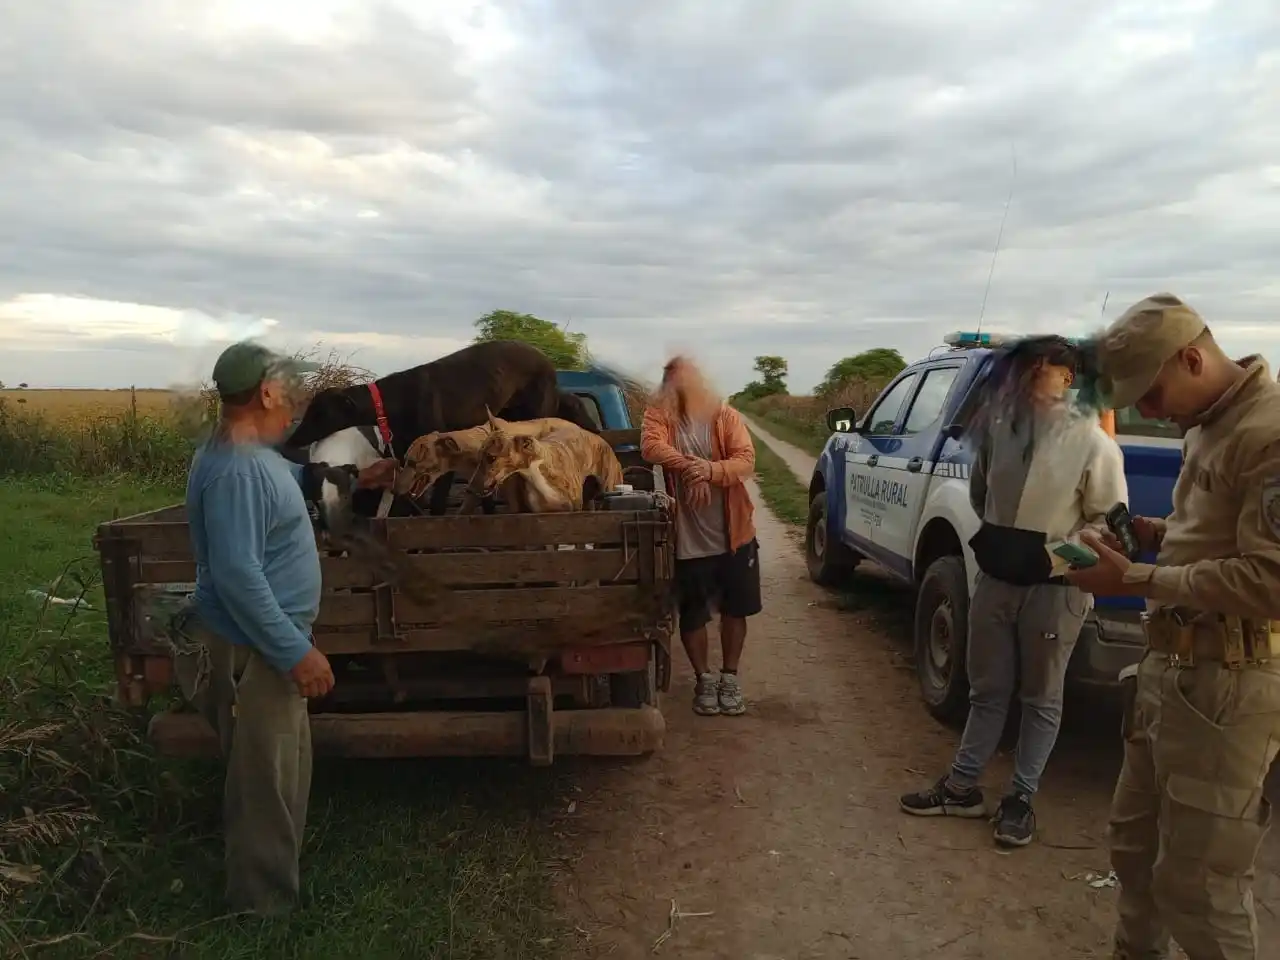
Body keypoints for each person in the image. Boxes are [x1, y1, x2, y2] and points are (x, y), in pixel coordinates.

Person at [1064, 294, 1280, 960]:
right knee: (1136, 855)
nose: (1146, 413)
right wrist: (1155, 535)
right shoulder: (1211, 423)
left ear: (1192, 357)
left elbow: (1270, 580)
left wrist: (1135, 578)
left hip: (1230, 686)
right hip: (1171, 674)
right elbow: (1212, 538)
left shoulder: (1268, 432)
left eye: (1151, 394)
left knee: (1201, 890)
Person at [173, 341, 396, 916]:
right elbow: (238, 576)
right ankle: (261, 913)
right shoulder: (236, 472)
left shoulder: (254, 455)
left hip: (268, 642)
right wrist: (295, 651)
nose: (295, 399)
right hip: (255, 650)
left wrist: (360, 476)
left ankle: (274, 889)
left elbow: (294, 485)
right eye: (288, 388)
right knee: (263, 783)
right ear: (266, 392)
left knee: (284, 769)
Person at [900, 335, 1128, 847]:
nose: (1025, 380)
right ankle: (962, 788)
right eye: (1020, 370)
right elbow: (981, 494)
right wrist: (1000, 545)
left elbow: (1109, 527)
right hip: (997, 583)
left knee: (1041, 698)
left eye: (1039, 371)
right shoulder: (1001, 433)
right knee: (987, 690)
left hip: (1054, 590)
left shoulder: (1093, 443)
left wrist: (1050, 556)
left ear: (1068, 379)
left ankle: (1020, 798)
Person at [640, 355, 760, 716]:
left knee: (734, 611)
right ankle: (704, 679)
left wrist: (709, 471)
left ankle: (729, 677)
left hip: (734, 534)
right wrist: (692, 468)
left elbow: (746, 460)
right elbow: (650, 447)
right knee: (693, 615)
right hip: (688, 538)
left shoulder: (725, 416)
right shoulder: (659, 414)